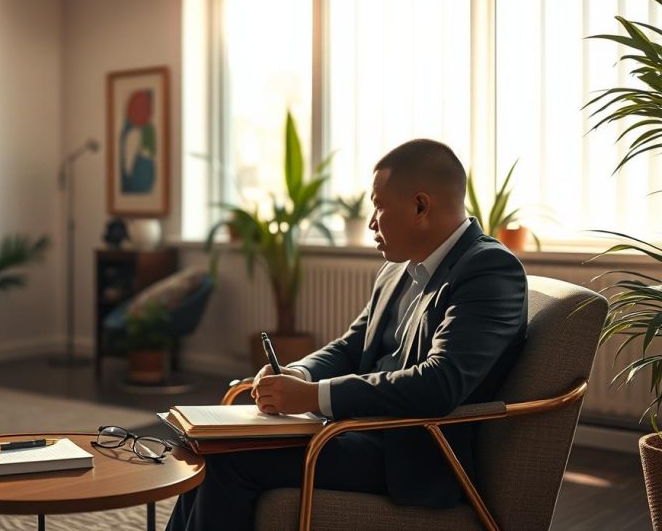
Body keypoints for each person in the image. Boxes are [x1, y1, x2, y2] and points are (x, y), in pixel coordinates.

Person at [166, 139, 528, 531]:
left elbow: (440, 383)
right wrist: (300, 374)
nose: (371, 221)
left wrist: (313, 398)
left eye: (378, 205)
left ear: (420, 206)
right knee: (208, 445)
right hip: (356, 430)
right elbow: (352, 345)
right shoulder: (396, 269)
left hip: (412, 452)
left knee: (228, 460)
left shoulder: (489, 268)